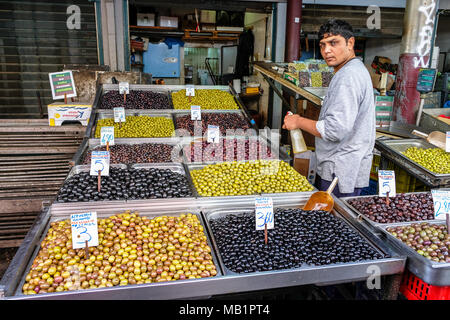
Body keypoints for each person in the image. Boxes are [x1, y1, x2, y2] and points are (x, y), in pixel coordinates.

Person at [283, 19, 375, 197]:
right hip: (344, 167)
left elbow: (335, 130)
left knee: (334, 221)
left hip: (339, 172)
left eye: (334, 43)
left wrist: (298, 121)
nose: (327, 51)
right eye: (323, 45)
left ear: (350, 43)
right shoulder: (352, 70)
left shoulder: (348, 76)